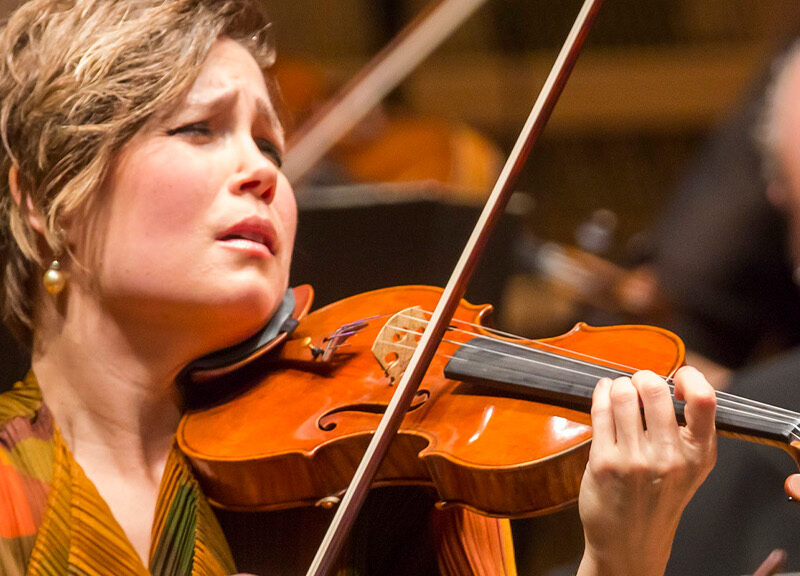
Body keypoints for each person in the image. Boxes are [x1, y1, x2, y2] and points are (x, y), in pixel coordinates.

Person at [0, 1, 717, 575]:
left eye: (271, 146)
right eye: (198, 129)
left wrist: (620, 559)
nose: (264, 173)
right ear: (43, 196)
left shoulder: (389, 484)